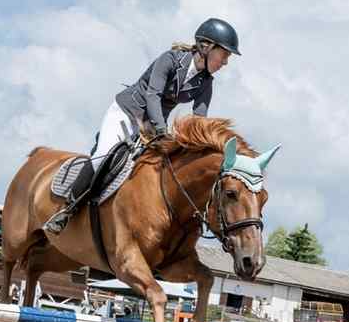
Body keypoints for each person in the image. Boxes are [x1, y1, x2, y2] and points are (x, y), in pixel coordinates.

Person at [44, 18, 241, 234]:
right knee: (102, 156)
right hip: (126, 113)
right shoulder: (170, 59)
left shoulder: (205, 83)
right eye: (224, 55)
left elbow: (199, 120)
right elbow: (153, 95)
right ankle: (66, 209)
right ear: (206, 47)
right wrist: (161, 130)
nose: (225, 62)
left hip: (151, 126)